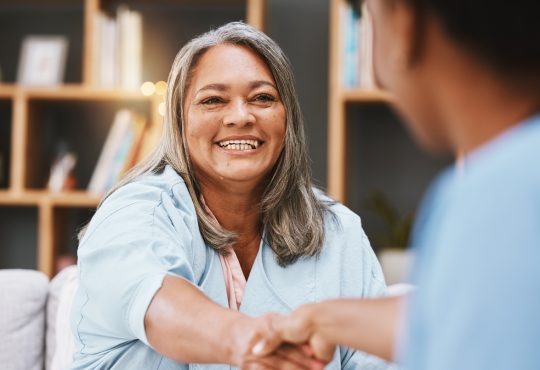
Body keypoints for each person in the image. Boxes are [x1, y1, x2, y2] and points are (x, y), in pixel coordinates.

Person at [68, 22, 393, 370]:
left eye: (262, 98)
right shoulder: (134, 213)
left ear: (288, 118)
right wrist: (249, 342)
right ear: (179, 120)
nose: (240, 116)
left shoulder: (339, 231)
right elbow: (155, 302)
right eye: (213, 100)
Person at [251, 0, 540, 369]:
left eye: (370, 19)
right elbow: (453, 321)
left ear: (404, 21)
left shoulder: (495, 199)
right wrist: (321, 319)